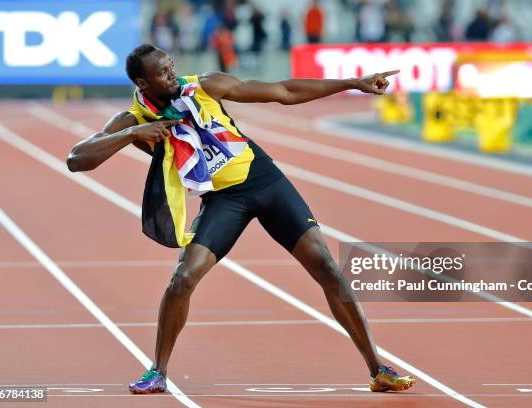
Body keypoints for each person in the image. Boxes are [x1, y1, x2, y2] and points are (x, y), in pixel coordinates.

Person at [66, 44, 415, 395]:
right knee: (182, 279)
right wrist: (130, 135)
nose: (172, 74)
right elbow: (76, 159)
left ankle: (378, 369)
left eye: (171, 66)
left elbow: (283, 91)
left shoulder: (205, 86)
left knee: (326, 266)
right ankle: (158, 371)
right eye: (162, 72)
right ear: (142, 83)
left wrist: (352, 83)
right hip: (222, 200)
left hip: (264, 180)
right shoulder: (134, 120)